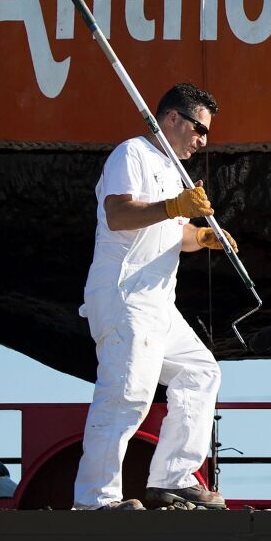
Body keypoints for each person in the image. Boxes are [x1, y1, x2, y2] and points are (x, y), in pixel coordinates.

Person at [71, 82, 233, 511]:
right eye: (199, 128)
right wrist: (176, 206)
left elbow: (166, 233)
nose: (202, 141)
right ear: (172, 119)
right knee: (127, 394)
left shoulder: (170, 168)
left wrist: (200, 236)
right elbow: (119, 213)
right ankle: (95, 501)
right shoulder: (132, 154)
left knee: (200, 372)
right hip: (125, 296)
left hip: (159, 302)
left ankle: (173, 480)